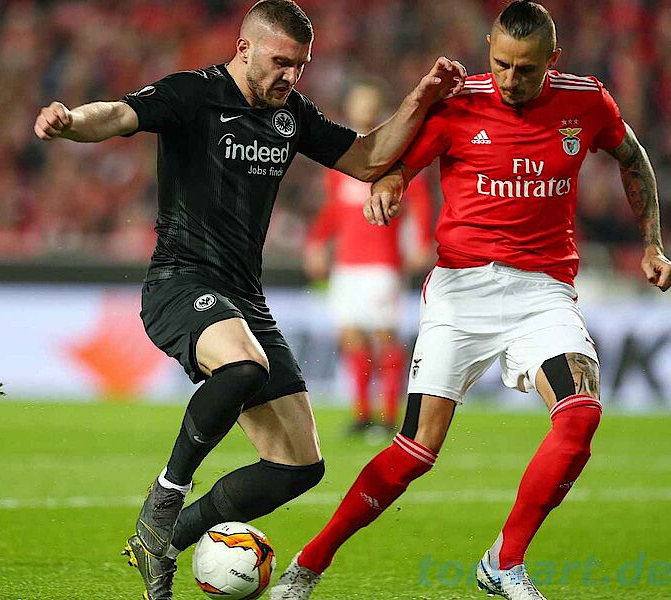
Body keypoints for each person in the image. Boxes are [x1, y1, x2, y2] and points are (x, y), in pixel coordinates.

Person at [34, 1, 465, 597]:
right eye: (281, 62)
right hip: (180, 283)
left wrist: (420, 97)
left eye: (301, 65)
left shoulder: (291, 114)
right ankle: (165, 496)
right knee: (243, 366)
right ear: (244, 48)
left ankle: (163, 541)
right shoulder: (194, 93)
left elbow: (369, 158)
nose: (292, 75)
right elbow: (117, 113)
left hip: (244, 298)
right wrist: (70, 121)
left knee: (299, 466)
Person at [270, 2, 671, 599]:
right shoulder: (460, 103)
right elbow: (397, 167)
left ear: (553, 60)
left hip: (543, 291)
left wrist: (652, 242)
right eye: (502, 64)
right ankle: (310, 561)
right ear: (489, 48)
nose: (511, 79)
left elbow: (632, 157)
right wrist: (389, 187)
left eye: (526, 69)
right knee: (414, 452)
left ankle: (505, 562)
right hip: (461, 290)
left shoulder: (587, 101)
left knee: (581, 414)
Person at [303, 81, 434, 437]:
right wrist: (317, 241)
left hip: (382, 263)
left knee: (384, 335)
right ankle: (362, 414)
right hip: (347, 265)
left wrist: (421, 240)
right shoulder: (340, 159)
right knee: (351, 336)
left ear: (379, 109)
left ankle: (390, 416)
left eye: (369, 104)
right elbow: (334, 209)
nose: (363, 110)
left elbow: (418, 197)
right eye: (358, 104)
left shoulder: (394, 153)